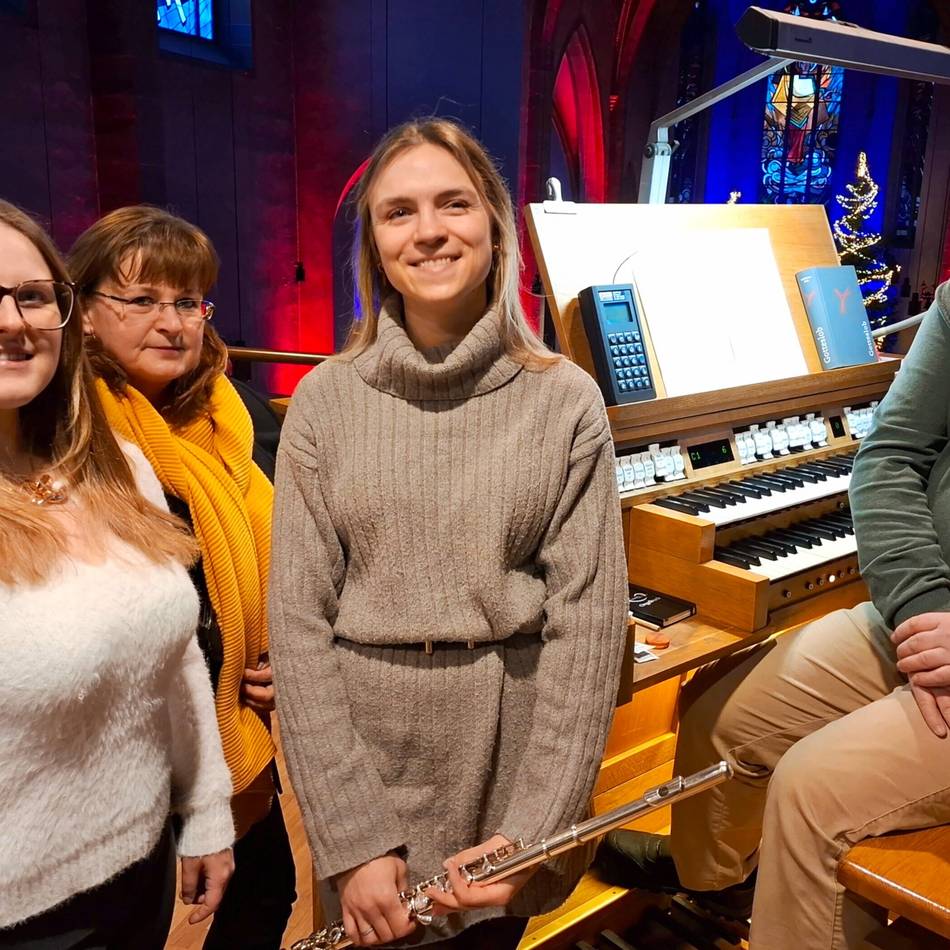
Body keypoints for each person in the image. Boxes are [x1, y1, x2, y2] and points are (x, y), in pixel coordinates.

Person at [267, 118, 629, 949]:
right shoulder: (324, 400)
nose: (428, 230)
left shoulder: (564, 400)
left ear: (495, 224)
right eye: (399, 213)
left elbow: (587, 630)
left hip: (509, 751)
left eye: (453, 203)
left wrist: (533, 827)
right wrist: (353, 838)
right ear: (374, 245)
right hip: (365, 752)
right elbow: (297, 625)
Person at [596, 283, 950, 949]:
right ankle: (720, 888)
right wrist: (924, 608)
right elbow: (890, 455)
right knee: (718, 719)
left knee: (810, 790)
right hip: (923, 615)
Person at [0, 199, 234, 947]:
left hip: (138, 864)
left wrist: (205, 812)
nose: (14, 321)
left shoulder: (111, 467)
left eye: (32, 296)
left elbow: (174, 654)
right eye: (142, 300)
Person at [68, 206, 297, 950]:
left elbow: (286, 558)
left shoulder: (237, 413)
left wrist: (285, 653)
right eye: (142, 300)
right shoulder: (65, 434)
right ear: (87, 315)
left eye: (188, 301)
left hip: (239, 731)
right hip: (125, 759)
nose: (172, 322)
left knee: (265, 898)